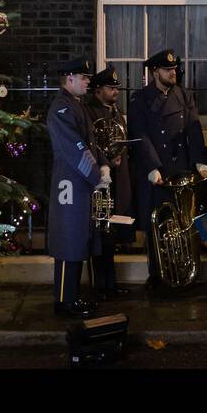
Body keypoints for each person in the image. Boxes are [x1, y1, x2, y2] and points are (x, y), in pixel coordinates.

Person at [128, 49, 207, 288]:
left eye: (174, 69)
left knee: (186, 222)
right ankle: (159, 275)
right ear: (155, 72)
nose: (172, 73)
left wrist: (200, 160)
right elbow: (140, 135)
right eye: (167, 70)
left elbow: (194, 132)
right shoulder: (140, 99)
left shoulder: (184, 96)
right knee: (159, 225)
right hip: (158, 171)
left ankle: (188, 273)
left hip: (181, 168)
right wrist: (152, 166)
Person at [45, 58, 110, 317]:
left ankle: (71, 297)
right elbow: (75, 148)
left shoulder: (75, 106)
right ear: (69, 79)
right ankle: (64, 301)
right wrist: (97, 176)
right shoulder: (62, 108)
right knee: (68, 239)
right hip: (71, 181)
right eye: (83, 77)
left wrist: (103, 165)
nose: (87, 81)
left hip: (79, 182)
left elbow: (91, 143)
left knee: (78, 238)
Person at [83, 65, 132, 300]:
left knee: (111, 235)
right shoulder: (89, 111)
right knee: (99, 234)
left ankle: (110, 284)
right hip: (99, 179)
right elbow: (91, 144)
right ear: (98, 89)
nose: (115, 91)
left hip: (116, 178)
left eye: (116, 88)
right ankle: (99, 286)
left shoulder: (116, 113)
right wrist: (107, 160)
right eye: (111, 88)